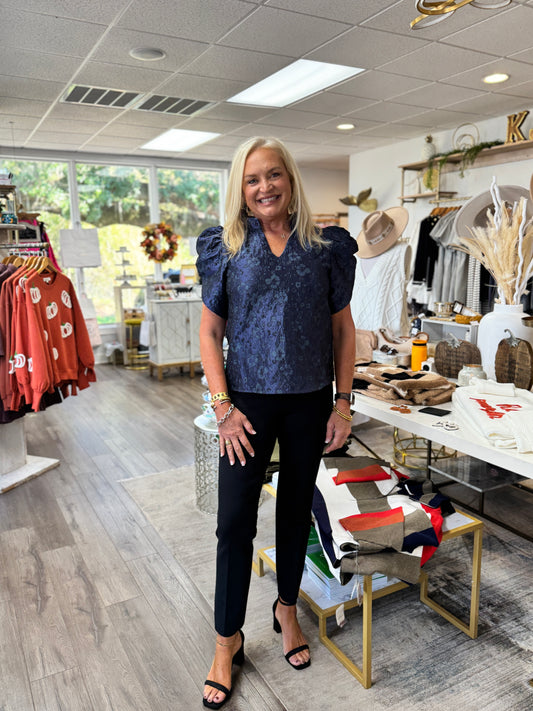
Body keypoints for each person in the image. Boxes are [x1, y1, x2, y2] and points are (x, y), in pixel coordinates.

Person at [196, 136, 357, 709]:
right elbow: (210, 333)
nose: (264, 187)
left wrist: (343, 402)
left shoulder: (325, 248)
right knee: (234, 523)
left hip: (310, 401)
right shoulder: (227, 248)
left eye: (273, 175)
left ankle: (286, 608)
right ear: (241, 188)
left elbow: (343, 330)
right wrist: (222, 408)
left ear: (290, 179)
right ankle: (226, 639)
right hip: (246, 407)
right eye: (252, 179)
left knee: (295, 512)